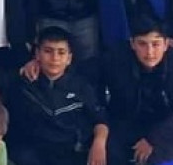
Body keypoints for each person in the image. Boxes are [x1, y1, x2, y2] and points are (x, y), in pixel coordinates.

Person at [100, 19, 173, 165]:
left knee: (164, 158)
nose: (149, 52)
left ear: (166, 44)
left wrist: (154, 138)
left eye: (155, 44)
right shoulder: (115, 61)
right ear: (132, 44)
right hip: (127, 123)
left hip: (169, 127)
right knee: (108, 152)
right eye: (142, 44)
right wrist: (100, 136)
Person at [9, 27, 108, 165]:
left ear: (69, 58)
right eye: (48, 51)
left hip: (72, 153)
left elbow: (100, 120)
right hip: (35, 155)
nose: (55, 58)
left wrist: (99, 143)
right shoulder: (23, 85)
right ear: (37, 54)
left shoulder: (81, 86)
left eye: (61, 52)